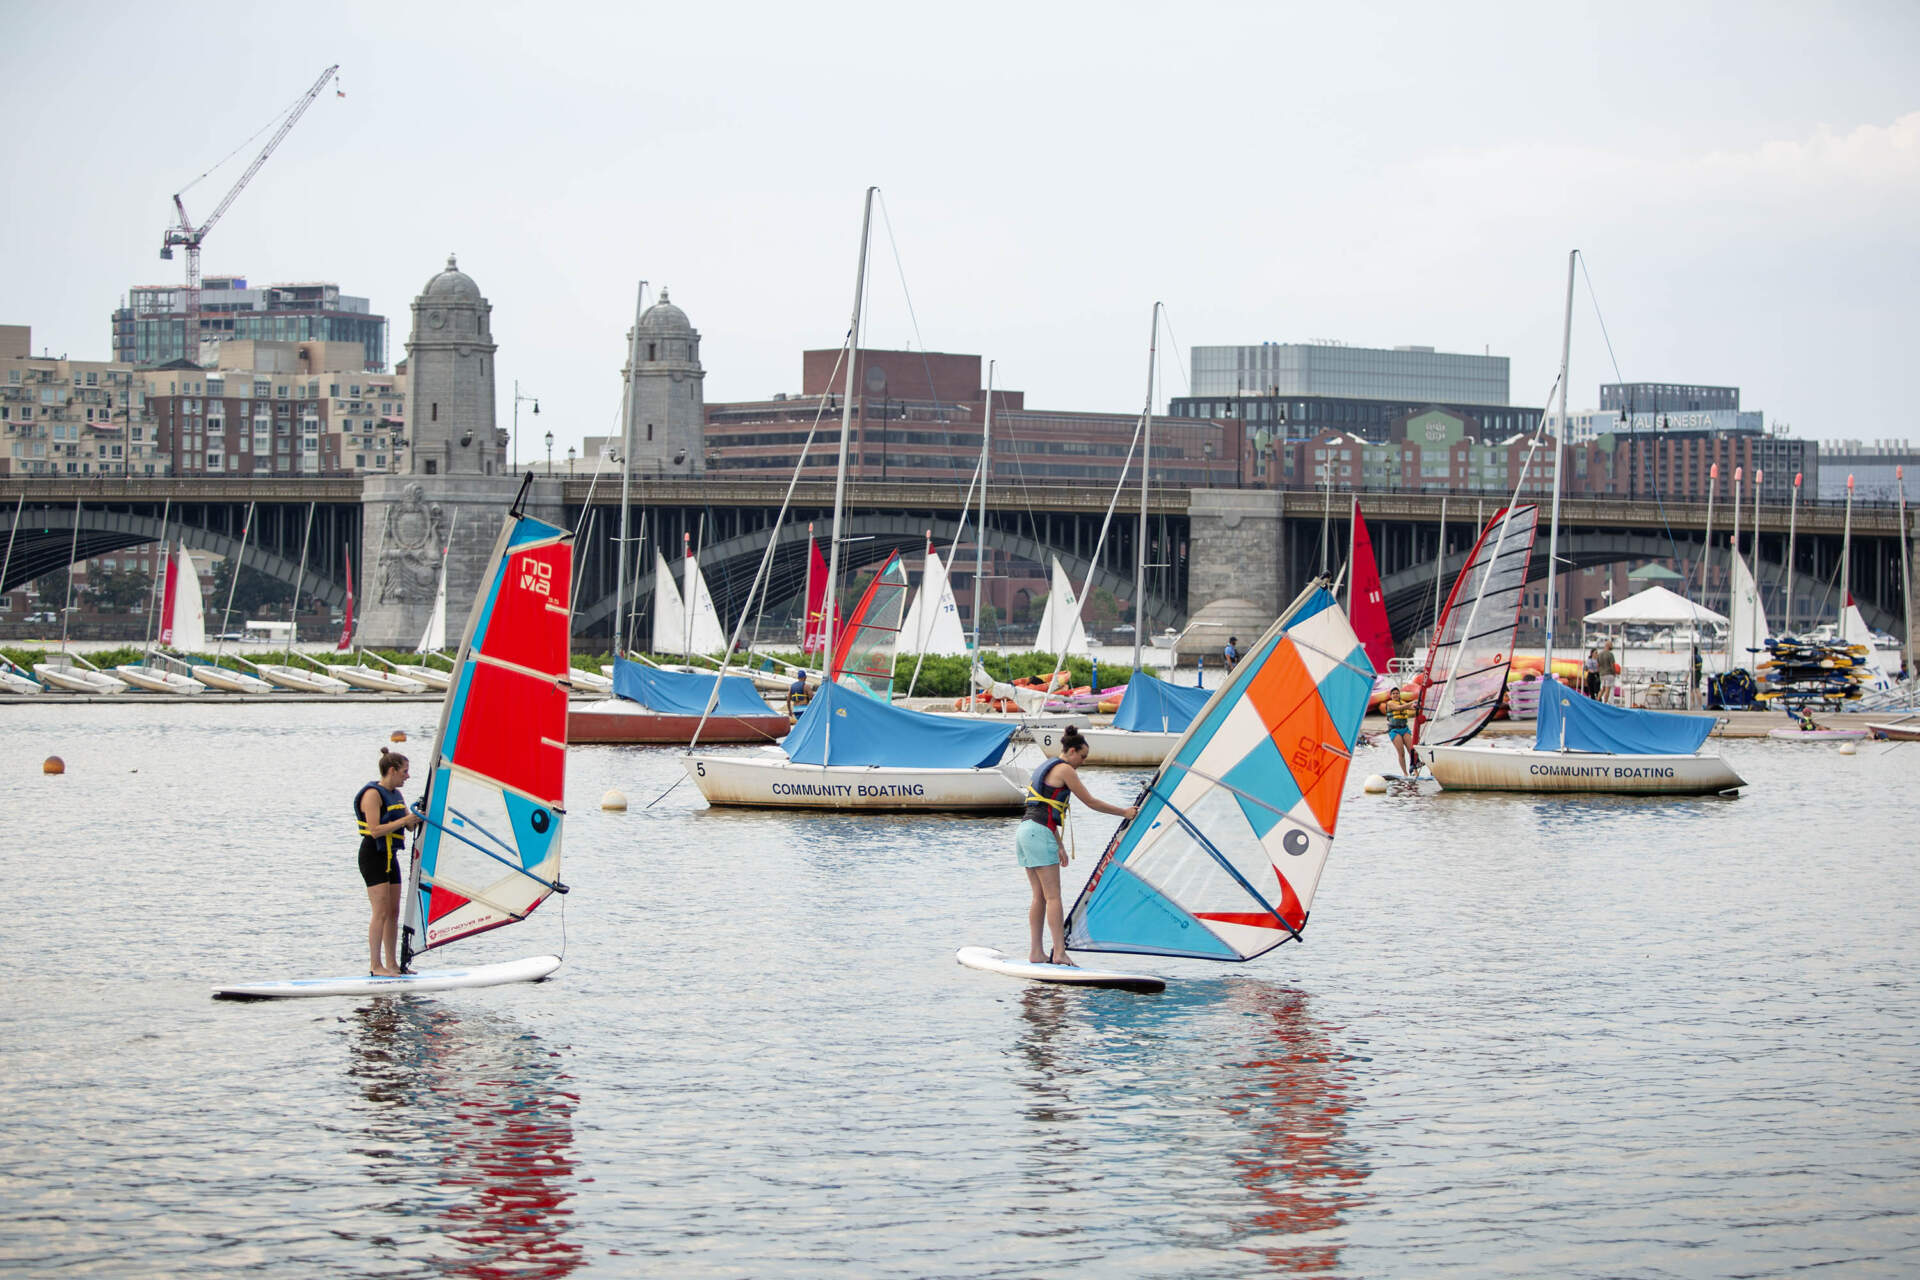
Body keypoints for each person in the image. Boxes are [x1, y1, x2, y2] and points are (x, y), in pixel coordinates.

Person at [1017, 726, 1138, 967]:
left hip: (1025, 832)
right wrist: (1124, 812)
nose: (1082, 762)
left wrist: (1059, 844)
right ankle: (1059, 953)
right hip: (1040, 833)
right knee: (1053, 897)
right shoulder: (1065, 769)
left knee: (1039, 897)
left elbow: (1043, 807)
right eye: (1082, 757)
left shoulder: (1046, 766)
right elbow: (1091, 802)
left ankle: (1036, 953)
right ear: (1071, 751)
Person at [356, 748, 422, 978]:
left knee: (393, 912)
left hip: (389, 857)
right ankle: (376, 965)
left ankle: (393, 965)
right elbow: (374, 831)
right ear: (392, 770)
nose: (408, 776)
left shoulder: (396, 795)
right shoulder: (373, 794)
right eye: (405, 771)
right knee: (380, 912)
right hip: (372, 856)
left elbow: (409, 825)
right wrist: (405, 819)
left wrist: (417, 816)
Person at [1380, 685, 1418, 775]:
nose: (1395, 695)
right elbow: (1398, 708)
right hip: (1394, 731)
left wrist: (1417, 705)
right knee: (1401, 753)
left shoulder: (1403, 703)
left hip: (1405, 729)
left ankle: (1416, 772)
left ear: (1399, 694)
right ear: (1391, 695)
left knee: (1412, 751)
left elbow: (1412, 707)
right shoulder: (1390, 704)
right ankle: (1405, 774)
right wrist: (1413, 702)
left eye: (1397, 693)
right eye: (1393, 693)